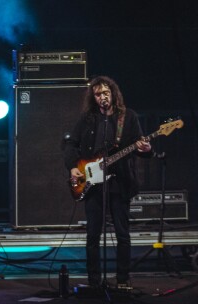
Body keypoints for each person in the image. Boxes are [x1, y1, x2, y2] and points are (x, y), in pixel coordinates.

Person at [63, 75, 151, 289]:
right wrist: (74, 166)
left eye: (106, 92)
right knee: (93, 235)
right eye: (98, 94)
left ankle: (122, 279)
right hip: (93, 184)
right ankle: (94, 280)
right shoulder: (88, 119)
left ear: (113, 93)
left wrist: (146, 149)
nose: (103, 97)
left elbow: (140, 147)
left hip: (120, 183)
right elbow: (70, 144)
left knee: (123, 233)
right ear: (93, 97)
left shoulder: (127, 117)